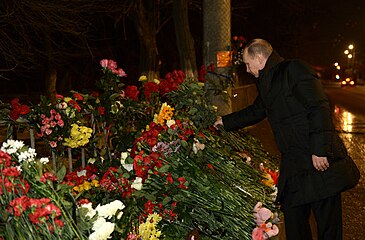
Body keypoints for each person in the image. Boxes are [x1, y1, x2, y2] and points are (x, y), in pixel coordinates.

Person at [214, 39, 360, 240]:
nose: (247, 69)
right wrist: (224, 122)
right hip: (294, 164)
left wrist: (319, 150)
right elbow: (256, 111)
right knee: (294, 221)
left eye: (248, 64)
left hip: (317, 161)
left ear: (258, 57)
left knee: (328, 227)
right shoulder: (267, 82)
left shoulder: (294, 69)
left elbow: (318, 106)